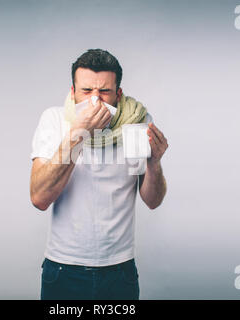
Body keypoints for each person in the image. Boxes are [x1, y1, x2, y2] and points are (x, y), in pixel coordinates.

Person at [30, 49, 168, 300]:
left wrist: (154, 163)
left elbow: (152, 200)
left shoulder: (137, 121)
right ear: (72, 92)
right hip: (63, 267)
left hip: (119, 269)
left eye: (104, 92)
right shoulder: (54, 120)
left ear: (118, 93)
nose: (95, 100)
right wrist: (78, 134)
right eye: (86, 91)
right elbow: (39, 198)